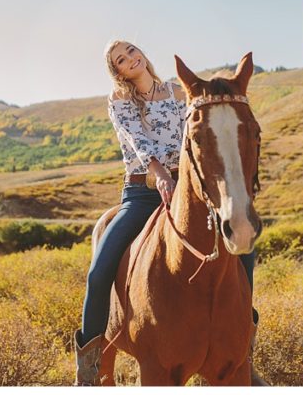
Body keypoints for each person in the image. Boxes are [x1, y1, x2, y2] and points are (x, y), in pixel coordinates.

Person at [73, 40, 259, 385]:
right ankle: (88, 367)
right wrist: (158, 174)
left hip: (190, 186)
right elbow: (136, 142)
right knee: (99, 273)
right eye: (121, 60)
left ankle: (243, 346)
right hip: (142, 192)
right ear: (118, 71)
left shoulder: (178, 92)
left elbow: (197, 136)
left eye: (131, 51)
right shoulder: (120, 101)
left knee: (245, 250)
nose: (131, 58)